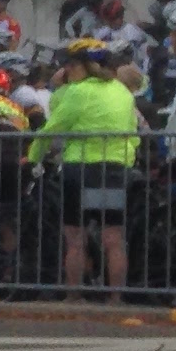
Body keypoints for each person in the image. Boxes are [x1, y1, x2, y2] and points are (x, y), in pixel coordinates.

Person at [33, 39, 141, 294]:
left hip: (80, 171)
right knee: (113, 238)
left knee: (75, 238)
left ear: (85, 66)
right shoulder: (123, 92)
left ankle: (74, 296)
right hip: (113, 171)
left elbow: (52, 127)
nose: (67, 70)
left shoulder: (78, 91)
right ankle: (115, 299)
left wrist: (33, 156)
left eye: (71, 65)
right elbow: (133, 134)